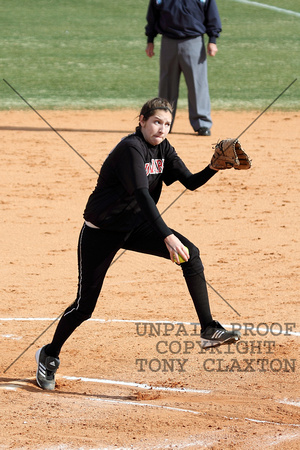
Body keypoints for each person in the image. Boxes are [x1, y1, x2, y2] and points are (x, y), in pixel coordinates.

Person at [35, 98, 240, 391]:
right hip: (101, 231)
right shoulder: (130, 149)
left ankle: (209, 328)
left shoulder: (163, 148)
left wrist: (213, 167)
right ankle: (49, 354)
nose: (161, 129)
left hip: (134, 226)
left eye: (167, 124)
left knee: (190, 255)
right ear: (142, 120)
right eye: (156, 122)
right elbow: (143, 196)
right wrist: (167, 235)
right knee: (84, 307)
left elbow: (190, 183)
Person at [145, 0, 222, 136]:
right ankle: (163, 122)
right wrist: (150, 40)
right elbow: (153, 16)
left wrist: (212, 40)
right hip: (168, 41)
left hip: (194, 42)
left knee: (197, 85)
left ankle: (202, 123)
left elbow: (212, 15)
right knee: (167, 85)